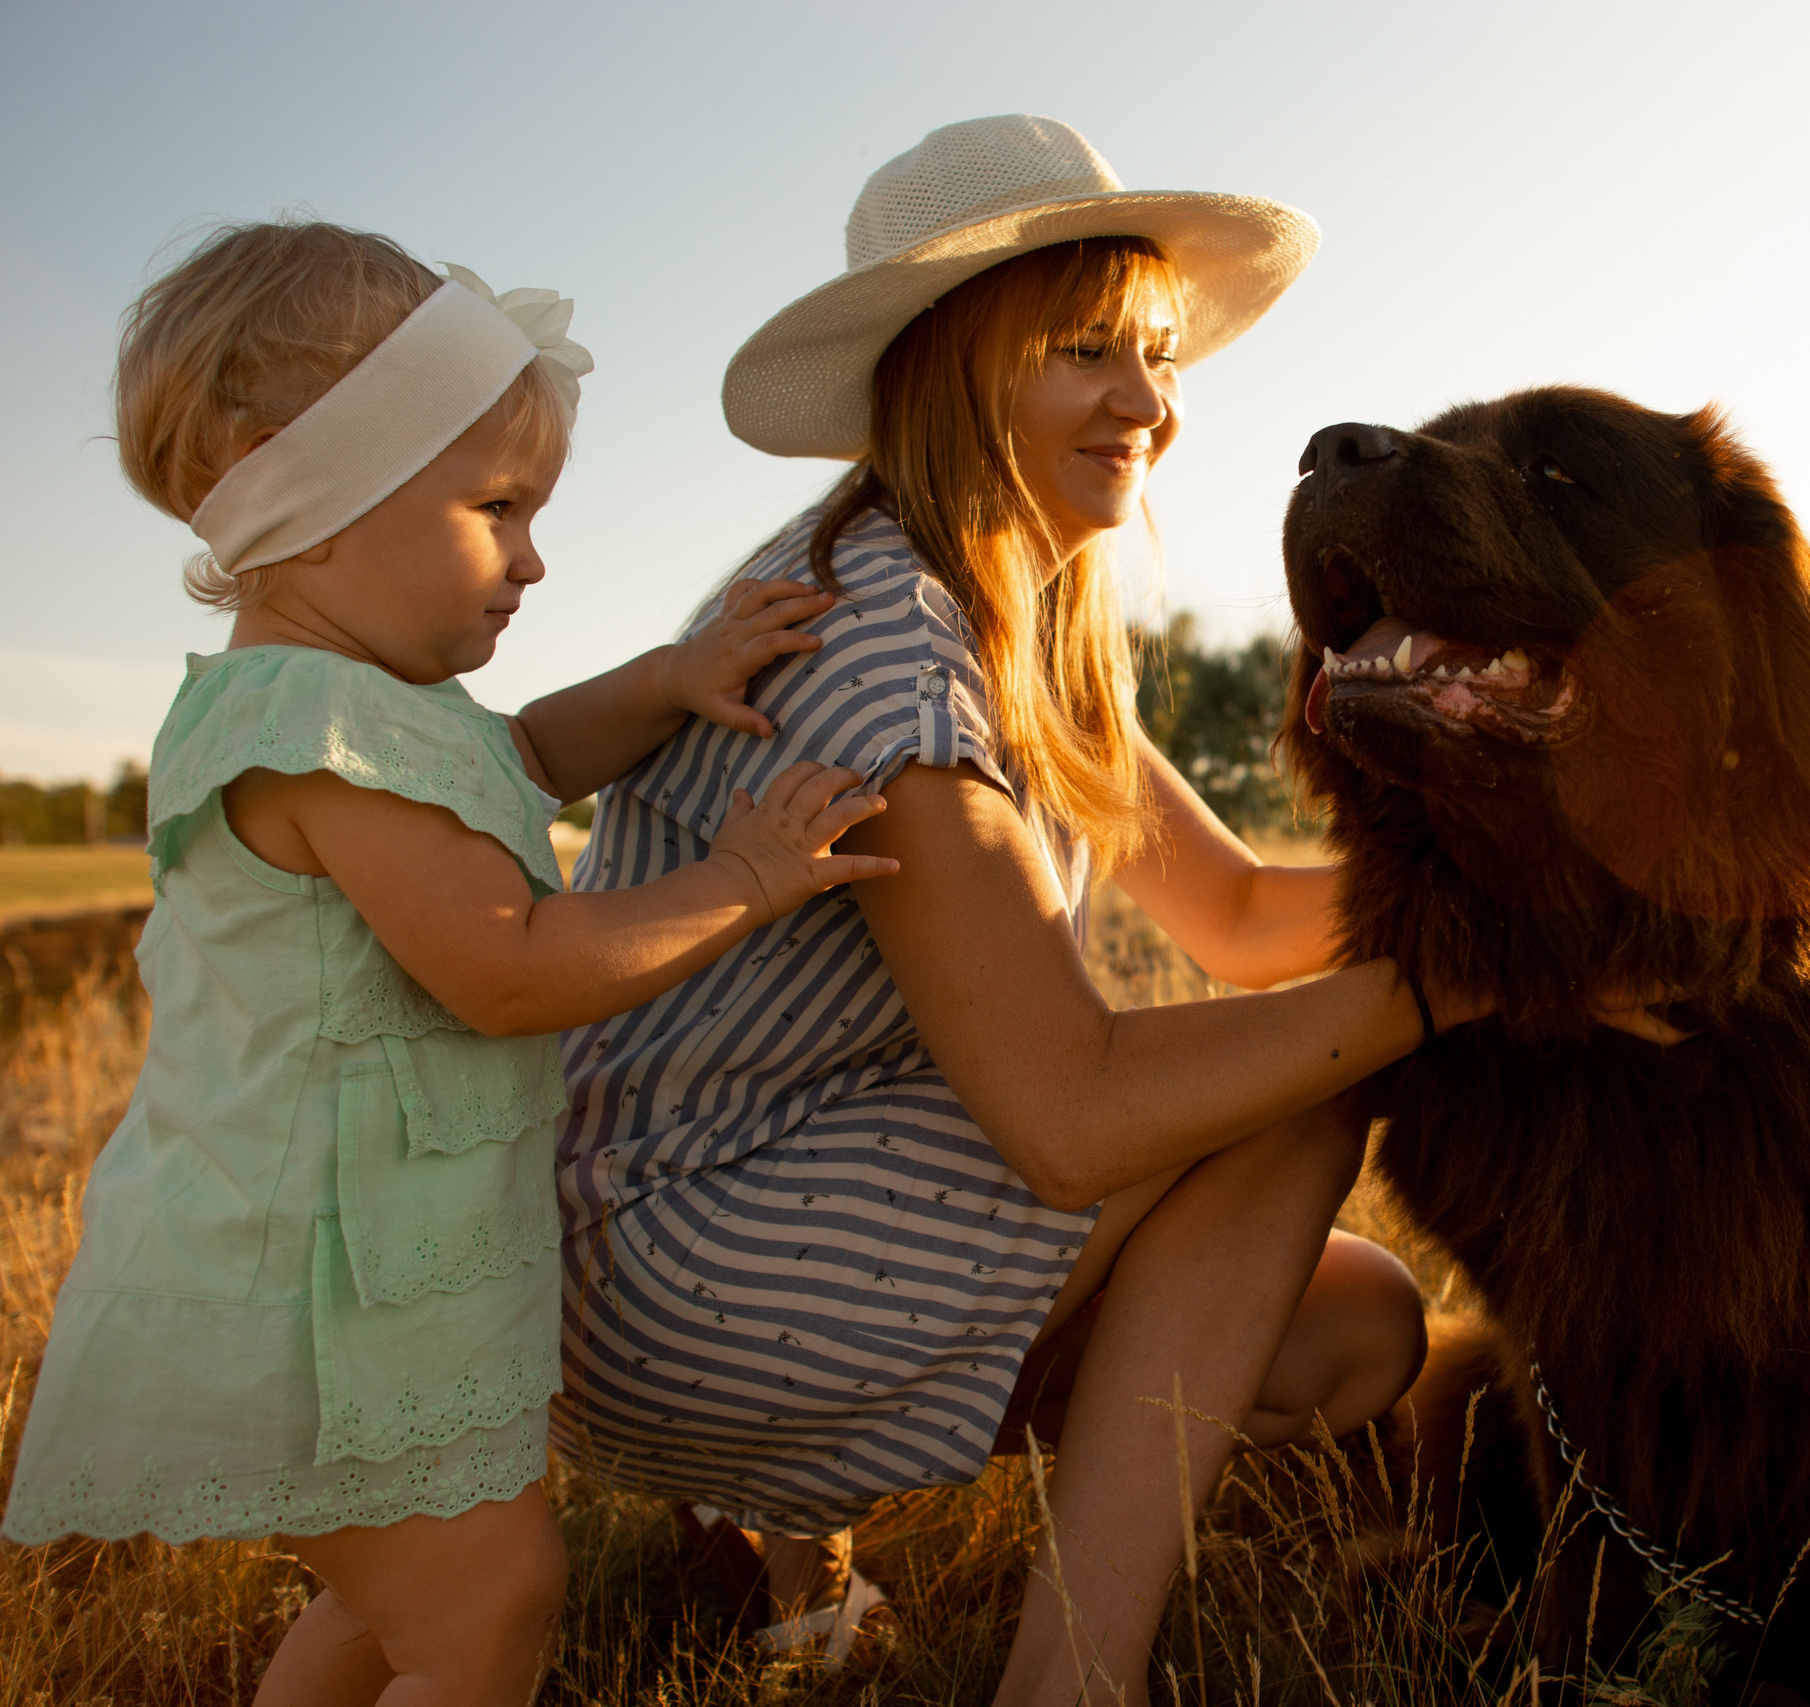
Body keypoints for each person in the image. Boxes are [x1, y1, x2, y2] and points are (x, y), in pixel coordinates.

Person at [549, 116, 1477, 1702]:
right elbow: (1065, 1120)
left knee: (1355, 1330)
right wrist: (1483, 971)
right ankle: (1063, 1683)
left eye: (1157, 354)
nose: (1148, 404)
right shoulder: (883, 652)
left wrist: (1540, 887)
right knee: (1298, 1086)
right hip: (663, 1258)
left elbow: (1241, 913)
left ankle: (781, 1541)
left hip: (755, 1191)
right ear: (947, 367)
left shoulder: (1014, 622)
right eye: (1083, 351)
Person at [0, 220, 894, 1707]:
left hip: (371, 1280)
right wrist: (742, 882)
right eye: (496, 507)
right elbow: (511, 967)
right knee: (489, 1598)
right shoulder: (315, 727)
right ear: (306, 499)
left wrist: (668, 680)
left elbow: (521, 756)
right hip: (307, 1296)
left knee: (395, 1608)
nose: (534, 559)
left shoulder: (379, 712)